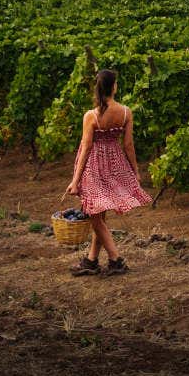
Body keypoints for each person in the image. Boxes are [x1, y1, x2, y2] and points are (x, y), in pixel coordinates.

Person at [65, 68, 152, 276]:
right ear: (113, 87)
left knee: (94, 216)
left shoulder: (91, 115)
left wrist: (75, 180)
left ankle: (116, 260)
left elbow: (86, 147)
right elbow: (129, 145)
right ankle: (91, 260)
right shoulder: (125, 112)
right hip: (115, 164)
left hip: (94, 166)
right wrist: (135, 170)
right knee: (99, 213)